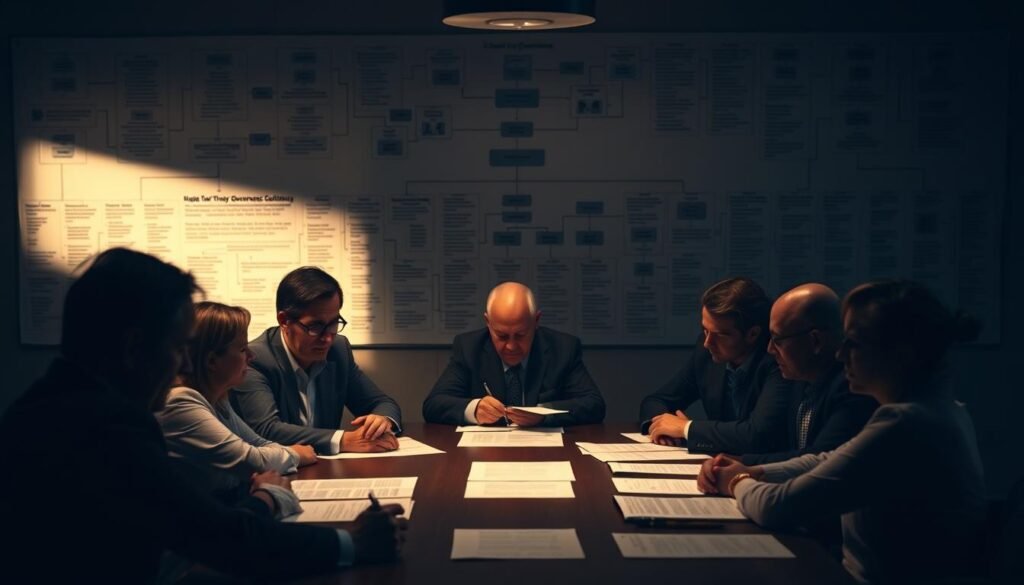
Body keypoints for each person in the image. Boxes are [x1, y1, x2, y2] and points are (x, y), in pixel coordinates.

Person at [0, 248, 407, 582]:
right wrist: (352, 542)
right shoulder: (105, 431)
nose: (183, 365)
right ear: (134, 348)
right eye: (177, 347)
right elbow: (218, 537)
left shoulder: (49, 407)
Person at [697, 280, 986, 585]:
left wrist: (738, 481)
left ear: (897, 352)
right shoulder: (938, 409)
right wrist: (754, 471)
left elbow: (778, 508)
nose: (840, 354)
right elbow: (826, 459)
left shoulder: (906, 424)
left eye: (854, 343)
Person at [233, 267, 402, 455]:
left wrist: (381, 420)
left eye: (334, 323)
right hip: (275, 474)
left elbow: (381, 402)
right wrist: (343, 440)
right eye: (315, 326)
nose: (328, 338)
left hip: (325, 470)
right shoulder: (254, 360)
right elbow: (266, 429)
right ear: (284, 320)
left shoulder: (338, 350)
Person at [157, 301, 318, 477]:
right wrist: (296, 454)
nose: (251, 356)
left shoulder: (218, 400)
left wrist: (278, 455)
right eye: (242, 349)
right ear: (211, 361)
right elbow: (254, 461)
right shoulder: (180, 402)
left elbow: (259, 444)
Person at [639, 277, 795, 453]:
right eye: (705, 330)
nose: (707, 342)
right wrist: (664, 428)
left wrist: (685, 429)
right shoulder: (707, 353)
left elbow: (757, 435)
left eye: (720, 334)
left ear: (753, 334)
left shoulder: (778, 361)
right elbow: (656, 400)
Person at [422, 281, 605, 427]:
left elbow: (594, 405)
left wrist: (542, 415)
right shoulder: (470, 347)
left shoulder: (563, 348)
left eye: (520, 335)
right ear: (488, 322)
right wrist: (474, 409)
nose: (511, 346)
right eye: (501, 336)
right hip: (486, 454)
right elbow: (433, 405)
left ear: (536, 321)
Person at [735, 283, 876, 465]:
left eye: (777, 339)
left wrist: (743, 464)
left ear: (815, 340)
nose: (770, 349)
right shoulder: (800, 378)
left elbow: (820, 460)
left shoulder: (851, 388)